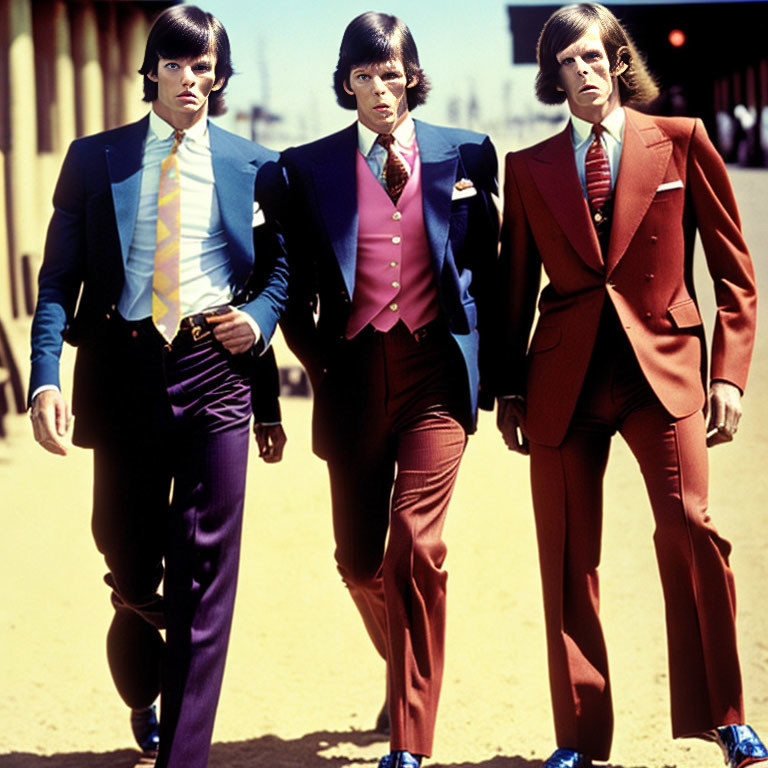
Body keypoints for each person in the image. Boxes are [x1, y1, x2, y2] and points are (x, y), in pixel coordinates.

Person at [494, 4, 766, 768]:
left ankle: (727, 715)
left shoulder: (681, 142)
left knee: (691, 525)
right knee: (568, 557)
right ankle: (579, 740)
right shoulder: (531, 167)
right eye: (563, 62)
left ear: (617, 60)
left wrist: (729, 375)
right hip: (563, 384)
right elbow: (514, 291)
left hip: (666, 374)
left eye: (590, 56)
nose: (579, 71)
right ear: (551, 76)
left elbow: (736, 275)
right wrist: (509, 391)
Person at [28, 6, 287, 767]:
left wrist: (260, 319)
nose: (191, 81)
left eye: (205, 68)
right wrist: (46, 376)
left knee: (206, 576)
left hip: (215, 373)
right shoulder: (93, 158)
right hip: (122, 368)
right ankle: (144, 679)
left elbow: (277, 270)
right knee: (130, 561)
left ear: (221, 77)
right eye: (175, 65)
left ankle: (183, 756)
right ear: (150, 72)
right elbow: (57, 282)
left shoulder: (256, 166)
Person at [279, 12, 498, 768]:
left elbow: (490, 271)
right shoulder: (304, 169)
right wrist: (319, 362)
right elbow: (291, 285)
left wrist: (497, 378)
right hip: (352, 377)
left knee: (416, 544)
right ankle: (402, 656)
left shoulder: (467, 153)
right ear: (347, 83)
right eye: (365, 75)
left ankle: (409, 739)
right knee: (359, 563)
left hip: (435, 372)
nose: (381, 87)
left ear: (413, 73)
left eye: (392, 71)